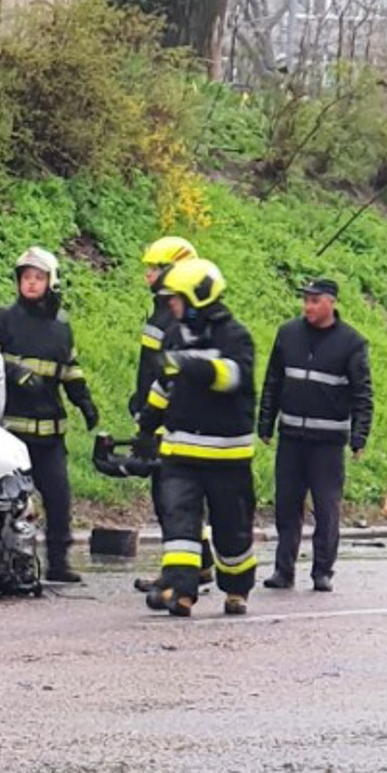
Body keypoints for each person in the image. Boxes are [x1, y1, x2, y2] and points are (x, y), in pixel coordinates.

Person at [135, 258, 257, 617]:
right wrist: (146, 423)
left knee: (232, 531)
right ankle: (182, 590)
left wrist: (190, 365)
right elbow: (164, 386)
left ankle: (236, 589)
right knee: (180, 526)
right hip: (180, 452)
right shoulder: (175, 334)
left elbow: (234, 376)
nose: (171, 305)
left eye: (176, 299)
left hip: (227, 458)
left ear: (198, 296)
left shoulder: (235, 337)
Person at [0, 246, 99, 583]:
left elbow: (70, 370)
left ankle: (59, 563)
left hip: (51, 434)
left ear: (51, 281)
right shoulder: (3, 319)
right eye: (26, 277)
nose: (31, 283)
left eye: (38, 278)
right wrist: (13, 369)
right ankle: (2, 561)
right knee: (7, 501)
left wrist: (85, 403)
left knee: (58, 498)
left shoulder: (61, 327)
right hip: (12, 432)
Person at [258, 278, 373, 593]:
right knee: (286, 505)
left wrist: (359, 436)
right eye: (305, 300)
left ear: (331, 302)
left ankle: (322, 571)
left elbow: (363, 394)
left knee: (326, 508)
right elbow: (273, 381)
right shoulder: (288, 334)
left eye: (314, 300)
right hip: (292, 437)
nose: (307, 306)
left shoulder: (352, 343)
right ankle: (284, 571)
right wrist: (265, 423)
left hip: (327, 443)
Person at [130, 236, 215, 594]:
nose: (148, 275)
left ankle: (180, 571)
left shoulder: (182, 317)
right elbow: (148, 367)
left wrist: (149, 412)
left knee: (173, 499)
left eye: (155, 268)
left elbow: (168, 375)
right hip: (159, 414)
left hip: (174, 420)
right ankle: (202, 563)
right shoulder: (164, 312)